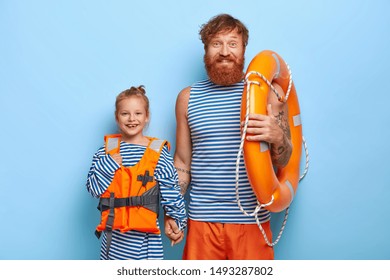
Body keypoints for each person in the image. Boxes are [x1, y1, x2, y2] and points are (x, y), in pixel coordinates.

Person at [170, 14, 292, 260]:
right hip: (201, 222)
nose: (224, 52)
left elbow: (285, 160)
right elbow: (182, 162)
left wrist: (278, 137)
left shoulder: (269, 93)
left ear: (244, 50)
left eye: (232, 44)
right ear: (206, 50)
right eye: (216, 44)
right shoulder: (187, 98)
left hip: (251, 222)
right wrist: (173, 211)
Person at [86, 85, 186, 260]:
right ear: (117, 118)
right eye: (125, 114)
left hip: (147, 244)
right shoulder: (105, 152)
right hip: (113, 240)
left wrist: (177, 221)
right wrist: (107, 165)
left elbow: (172, 191)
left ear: (147, 117)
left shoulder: (158, 153)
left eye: (138, 113)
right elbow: (93, 190)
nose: (132, 119)